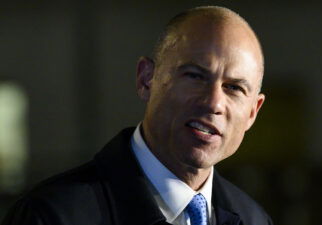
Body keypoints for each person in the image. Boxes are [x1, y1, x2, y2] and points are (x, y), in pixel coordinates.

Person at [2, 6, 272, 225]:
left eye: (234, 88)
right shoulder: (52, 216)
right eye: (195, 76)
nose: (214, 102)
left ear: (252, 112)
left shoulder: (254, 219)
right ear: (146, 79)